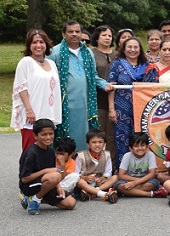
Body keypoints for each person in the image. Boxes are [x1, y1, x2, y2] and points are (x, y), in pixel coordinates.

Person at [47, 20, 113, 151]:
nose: (74, 34)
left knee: (84, 136)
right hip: (64, 105)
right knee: (66, 138)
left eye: (77, 31)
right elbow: (48, 78)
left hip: (85, 105)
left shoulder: (87, 53)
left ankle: (81, 166)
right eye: (70, 32)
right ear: (63, 34)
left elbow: (93, 76)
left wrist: (105, 85)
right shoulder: (55, 52)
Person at [108, 37, 157, 165]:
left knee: (142, 138)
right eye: (129, 47)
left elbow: (153, 88)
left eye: (136, 47)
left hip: (142, 110)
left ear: (140, 50)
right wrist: (111, 109)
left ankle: (143, 169)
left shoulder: (147, 66)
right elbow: (111, 87)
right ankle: (123, 169)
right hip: (121, 109)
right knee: (122, 139)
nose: (133, 50)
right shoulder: (117, 64)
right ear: (123, 49)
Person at [12, 29, 62, 152]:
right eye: (34, 42)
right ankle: (28, 172)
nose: (38, 45)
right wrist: (29, 110)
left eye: (41, 42)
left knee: (45, 150)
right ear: (29, 45)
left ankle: (45, 171)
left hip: (48, 113)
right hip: (33, 113)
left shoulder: (51, 63)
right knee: (31, 150)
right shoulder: (26, 62)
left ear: (46, 44)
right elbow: (21, 88)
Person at [19, 119, 76, 215]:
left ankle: (31, 199)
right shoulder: (31, 153)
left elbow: (55, 174)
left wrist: (58, 187)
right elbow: (25, 179)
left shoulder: (50, 151)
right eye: (44, 135)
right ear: (35, 136)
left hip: (45, 185)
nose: (48, 137)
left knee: (71, 203)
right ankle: (34, 200)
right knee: (55, 176)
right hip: (29, 186)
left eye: (51, 134)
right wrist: (45, 170)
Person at [91, 25, 119, 171]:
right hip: (98, 100)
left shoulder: (117, 54)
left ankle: (112, 168)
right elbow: (91, 76)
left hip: (117, 101)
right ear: (97, 37)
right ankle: (97, 169)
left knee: (112, 138)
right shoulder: (91, 53)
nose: (107, 38)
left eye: (109, 35)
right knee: (99, 136)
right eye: (104, 35)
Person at [114, 132, 168, 198]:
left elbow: (152, 174)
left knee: (153, 183)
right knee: (119, 185)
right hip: (130, 180)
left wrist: (135, 183)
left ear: (147, 146)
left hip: (145, 180)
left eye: (142, 145)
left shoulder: (150, 155)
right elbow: (121, 175)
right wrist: (135, 181)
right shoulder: (127, 156)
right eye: (136, 146)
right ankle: (150, 194)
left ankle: (127, 192)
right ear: (130, 148)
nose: (139, 148)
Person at [74, 129, 119, 203]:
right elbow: (75, 174)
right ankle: (102, 193)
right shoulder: (80, 156)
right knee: (80, 182)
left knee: (115, 177)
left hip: (100, 182)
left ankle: (92, 192)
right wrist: (85, 178)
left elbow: (108, 172)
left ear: (104, 144)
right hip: (86, 182)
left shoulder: (107, 155)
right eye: (94, 142)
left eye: (100, 142)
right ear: (88, 144)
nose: (97, 145)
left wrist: (102, 178)